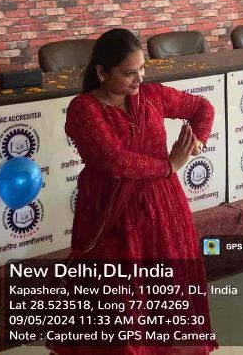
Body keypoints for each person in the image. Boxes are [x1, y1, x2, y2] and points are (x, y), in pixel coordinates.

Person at [57, 28, 216, 355]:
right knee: (120, 299)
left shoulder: (153, 95)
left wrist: (197, 141)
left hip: (163, 208)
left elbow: (203, 108)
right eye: (128, 73)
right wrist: (169, 166)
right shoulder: (84, 109)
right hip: (110, 211)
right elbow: (116, 161)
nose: (139, 78)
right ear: (102, 72)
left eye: (142, 68)